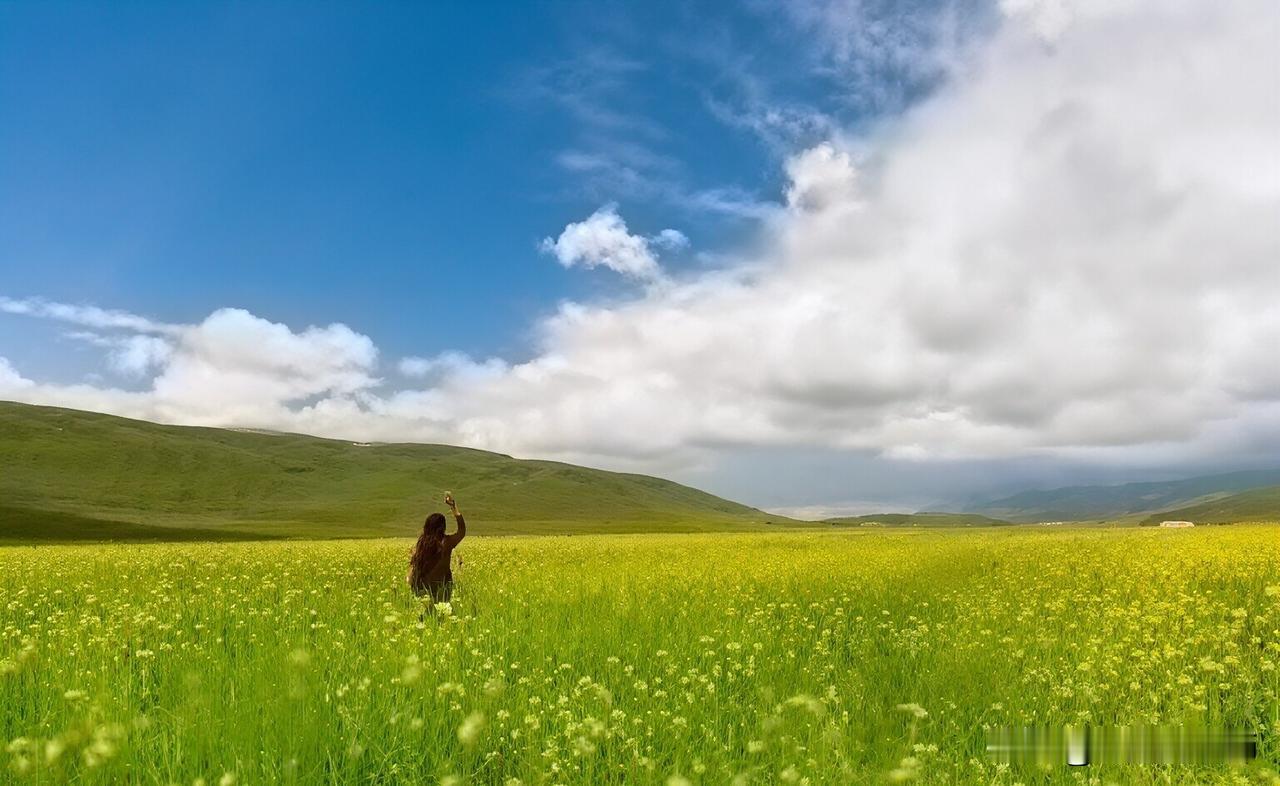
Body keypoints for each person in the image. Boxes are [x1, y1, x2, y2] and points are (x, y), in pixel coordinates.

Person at [407, 492, 466, 603]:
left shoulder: (421, 544)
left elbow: (413, 570)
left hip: (422, 589)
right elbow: (461, 531)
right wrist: (454, 508)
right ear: (443, 527)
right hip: (442, 589)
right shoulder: (447, 542)